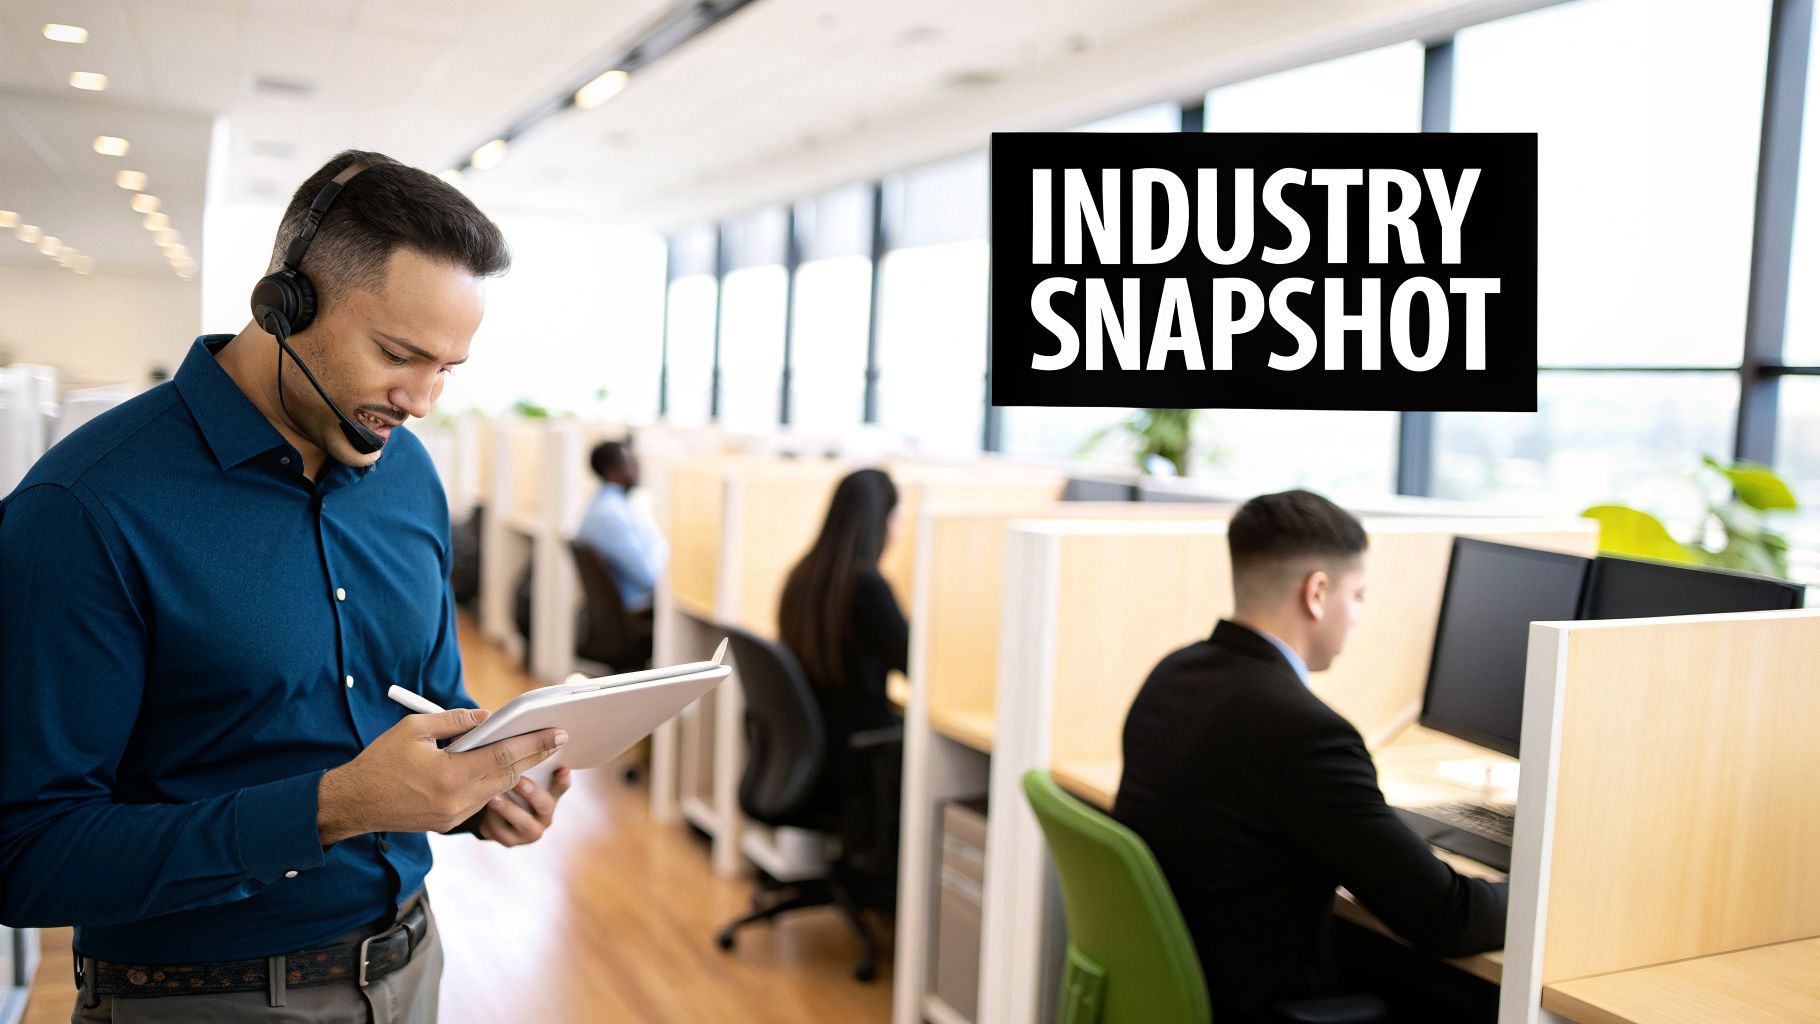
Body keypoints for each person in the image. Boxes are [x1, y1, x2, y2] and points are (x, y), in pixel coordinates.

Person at [0, 150, 572, 1023]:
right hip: (201, 999)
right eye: (398, 354)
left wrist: (480, 787)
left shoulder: (408, 476)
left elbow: (428, 701)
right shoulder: (85, 509)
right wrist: (332, 807)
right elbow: (25, 854)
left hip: (412, 965)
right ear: (284, 305)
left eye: (447, 368)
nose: (421, 400)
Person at [1112, 489, 1506, 1024]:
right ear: (1317, 593)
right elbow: (1447, 918)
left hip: (1179, 991)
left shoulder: (1172, 675)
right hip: (1255, 1004)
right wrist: (1551, 889)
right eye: (1359, 595)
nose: (1358, 616)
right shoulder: (1305, 732)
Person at [777, 468, 908, 747]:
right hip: (856, 747)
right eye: (897, 520)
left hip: (815, 742)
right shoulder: (868, 589)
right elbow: (912, 661)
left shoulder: (802, 573)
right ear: (880, 521)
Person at [575, 439, 669, 616]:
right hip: (634, 612)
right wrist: (660, 543)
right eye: (630, 463)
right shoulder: (611, 515)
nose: (637, 469)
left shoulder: (603, 505)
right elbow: (649, 578)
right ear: (610, 472)